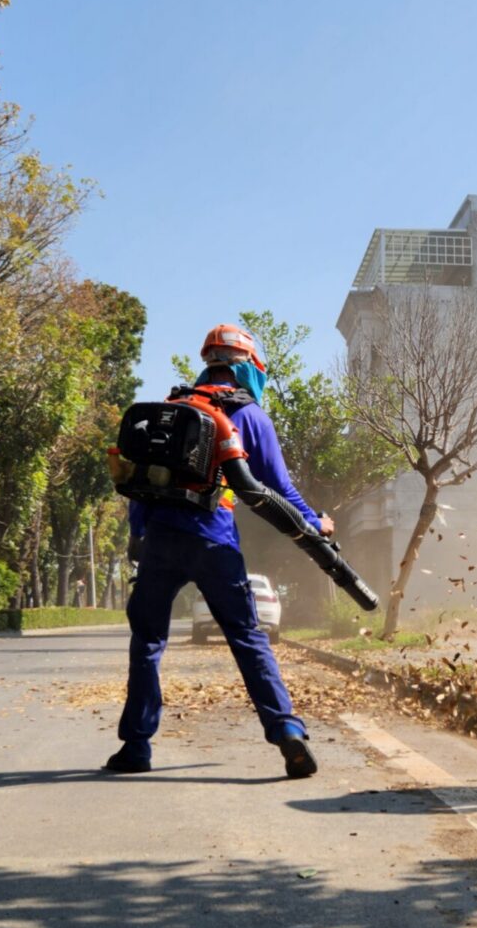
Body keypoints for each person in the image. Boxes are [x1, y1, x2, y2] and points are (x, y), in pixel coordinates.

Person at [106, 323, 334, 778]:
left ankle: (136, 748)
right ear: (247, 365)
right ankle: (287, 732)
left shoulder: (171, 409)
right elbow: (277, 487)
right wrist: (315, 522)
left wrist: (139, 538)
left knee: (148, 643)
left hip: (163, 539)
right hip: (216, 541)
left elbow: (140, 487)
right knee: (248, 639)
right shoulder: (250, 417)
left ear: (208, 361)